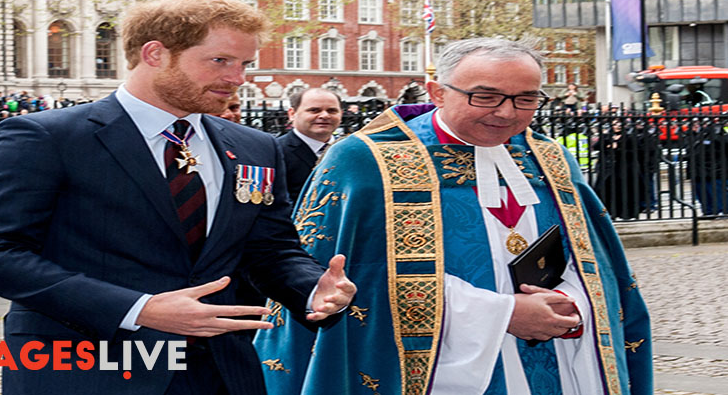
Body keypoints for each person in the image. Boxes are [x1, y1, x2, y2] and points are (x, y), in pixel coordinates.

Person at [0, 0, 356, 395]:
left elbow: (270, 250)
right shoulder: (45, 136)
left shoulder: (255, 146)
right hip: (89, 368)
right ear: (154, 54)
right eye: (220, 61)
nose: (238, 79)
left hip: (221, 372)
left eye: (244, 64)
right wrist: (139, 310)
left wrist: (311, 288)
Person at [255, 38, 652, 395]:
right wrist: (502, 314)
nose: (507, 113)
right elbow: (344, 279)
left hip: (557, 361)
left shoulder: (550, 157)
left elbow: (597, 262)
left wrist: (572, 303)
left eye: (526, 99)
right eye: (486, 97)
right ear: (437, 92)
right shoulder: (366, 160)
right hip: (430, 370)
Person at [277, 88, 342, 205]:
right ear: (292, 114)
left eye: (332, 111)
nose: (325, 115)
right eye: (314, 110)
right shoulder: (276, 151)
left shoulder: (349, 150)